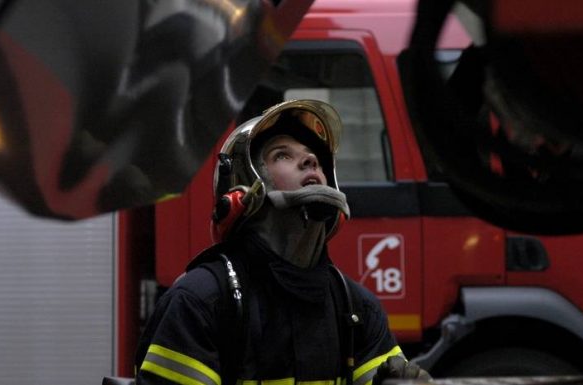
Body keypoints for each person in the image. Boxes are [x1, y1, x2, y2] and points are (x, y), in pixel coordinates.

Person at [134, 100, 430, 385]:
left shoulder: (356, 308)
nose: (311, 160)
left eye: (313, 156)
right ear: (242, 193)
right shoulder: (199, 304)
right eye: (282, 155)